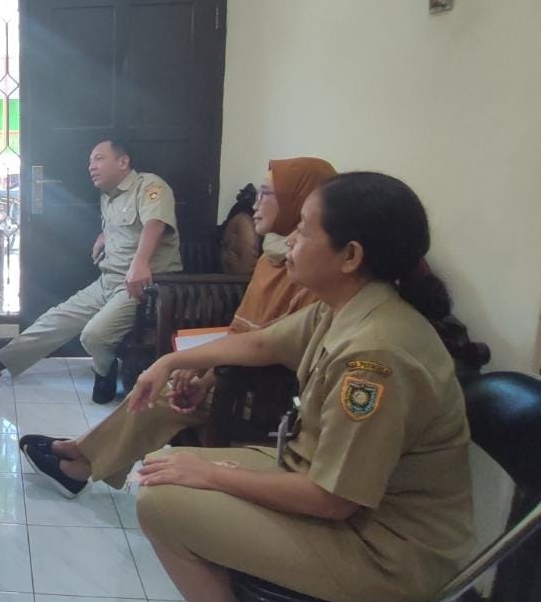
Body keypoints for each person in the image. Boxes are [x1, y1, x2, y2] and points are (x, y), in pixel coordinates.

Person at [128, 172, 472, 602]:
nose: (289, 241)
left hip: (384, 550)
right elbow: (262, 343)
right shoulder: (347, 306)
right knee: (167, 463)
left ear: (350, 254)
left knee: (163, 501)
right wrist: (171, 359)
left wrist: (212, 475)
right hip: (327, 488)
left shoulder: (375, 355)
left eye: (305, 231)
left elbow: (333, 500)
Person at [19, 157, 337, 497]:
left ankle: (79, 463)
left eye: (266, 195)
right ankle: (80, 452)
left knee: (161, 396)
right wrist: (197, 365)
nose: (257, 206)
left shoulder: (313, 273)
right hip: (235, 367)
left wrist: (205, 372)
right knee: (159, 382)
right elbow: (247, 334)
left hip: (260, 391)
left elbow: (271, 346)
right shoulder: (272, 259)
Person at [0, 140, 182, 403]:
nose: (91, 167)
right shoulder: (109, 196)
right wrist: (104, 236)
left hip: (143, 287)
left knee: (94, 335)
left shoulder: (150, 186)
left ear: (123, 162)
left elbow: (155, 223)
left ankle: (104, 371)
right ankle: (0, 362)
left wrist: (140, 263)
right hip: (108, 281)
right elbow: (126, 228)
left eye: (98, 159)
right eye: (90, 161)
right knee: (56, 319)